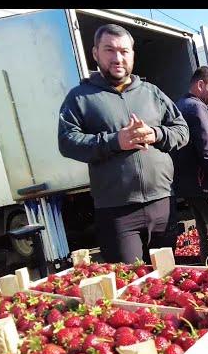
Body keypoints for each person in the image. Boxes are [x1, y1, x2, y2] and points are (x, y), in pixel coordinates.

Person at [58, 23, 189, 264]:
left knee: (170, 278)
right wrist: (114, 141)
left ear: (132, 55)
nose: (118, 58)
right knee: (130, 285)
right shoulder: (80, 98)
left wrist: (156, 134)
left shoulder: (152, 93)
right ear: (95, 53)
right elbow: (67, 142)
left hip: (163, 203)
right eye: (109, 50)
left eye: (124, 51)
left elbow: (182, 130)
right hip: (117, 212)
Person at [173, 66, 208, 264]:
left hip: (190, 184)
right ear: (200, 85)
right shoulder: (197, 108)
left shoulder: (180, 105)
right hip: (205, 183)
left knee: (204, 232)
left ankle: (206, 277)